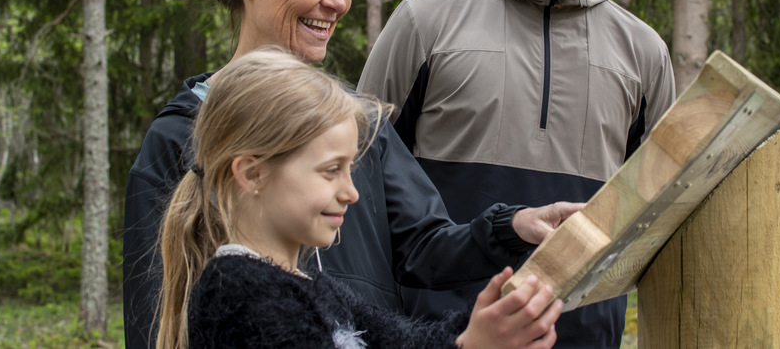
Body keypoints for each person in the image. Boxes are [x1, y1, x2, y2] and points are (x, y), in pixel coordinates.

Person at [122, 0, 581, 349]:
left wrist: (514, 227)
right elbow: (153, 317)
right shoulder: (181, 135)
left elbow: (423, 247)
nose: (338, 1)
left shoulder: (357, 122)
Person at [357, 0, 677, 347]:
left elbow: (656, 218)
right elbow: (361, 192)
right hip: (441, 337)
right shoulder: (425, 23)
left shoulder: (646, 54)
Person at [156, 47, 563, 349]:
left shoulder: (305, 281)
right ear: (252, 172)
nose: (351, 193)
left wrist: (489, 322)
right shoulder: (241, 295)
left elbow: (407, 344)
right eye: (331, 170)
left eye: (351, 169)